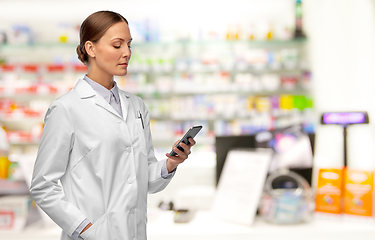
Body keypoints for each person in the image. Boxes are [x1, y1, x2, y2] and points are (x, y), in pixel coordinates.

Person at [30, 10, 196, 240]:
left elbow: (142, 179)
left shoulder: (137, 106)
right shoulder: (66, 109)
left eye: (129, 44)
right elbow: (42, 186)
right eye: (117, 45)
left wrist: (170, 163)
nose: (127, 53)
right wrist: (85, 229)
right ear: (91, 48)